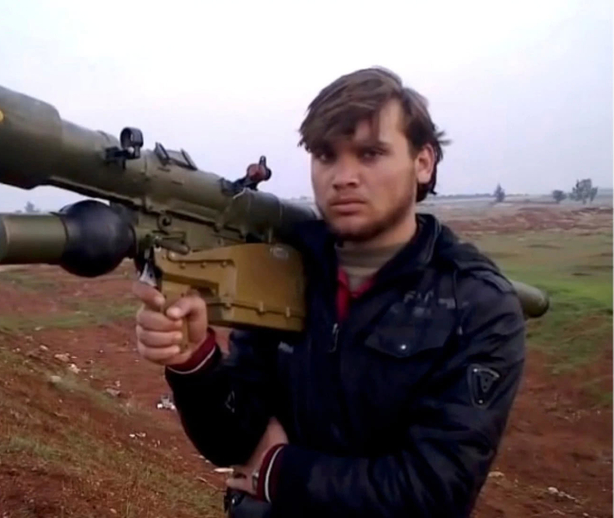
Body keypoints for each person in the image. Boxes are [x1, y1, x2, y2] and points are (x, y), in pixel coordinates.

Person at [132, 66, 526, 518]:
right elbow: (232, 442)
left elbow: (435, 491)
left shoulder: (476, 304)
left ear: (423, 162)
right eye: (325, 155)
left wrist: (280, 471)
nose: (343, 177)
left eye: (370, 153)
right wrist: (193, 361)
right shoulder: (287, 270)